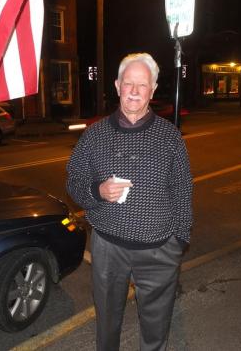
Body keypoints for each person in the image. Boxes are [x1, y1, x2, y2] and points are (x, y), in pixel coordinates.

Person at [66, 53, 193, 351]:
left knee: (155, 329)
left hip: (159, 251)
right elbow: (73, 181)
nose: (134, 91)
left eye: (142, 84)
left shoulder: (170, 137)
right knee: (107, 324)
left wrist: (178, 241)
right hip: (108, 249)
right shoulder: (94, 135)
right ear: (117, 85)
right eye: (128, 84)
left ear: (153, 89)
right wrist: (98, 191)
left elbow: (183, 192)